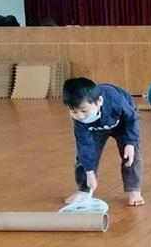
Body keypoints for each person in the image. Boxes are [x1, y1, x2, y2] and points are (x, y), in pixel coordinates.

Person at [62, 77, 145, 207]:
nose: (80, 116)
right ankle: (83, 190)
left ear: (99, 102)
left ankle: (134, 190)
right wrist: (90, 173)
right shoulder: (79, 120)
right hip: (96, 128)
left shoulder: (116, 100)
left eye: (84, 110)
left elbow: (132, 119)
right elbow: (84, 145)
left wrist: (130, 142)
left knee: (131, 156)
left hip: (124, 124)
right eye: (74, 111)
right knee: (83, 157)